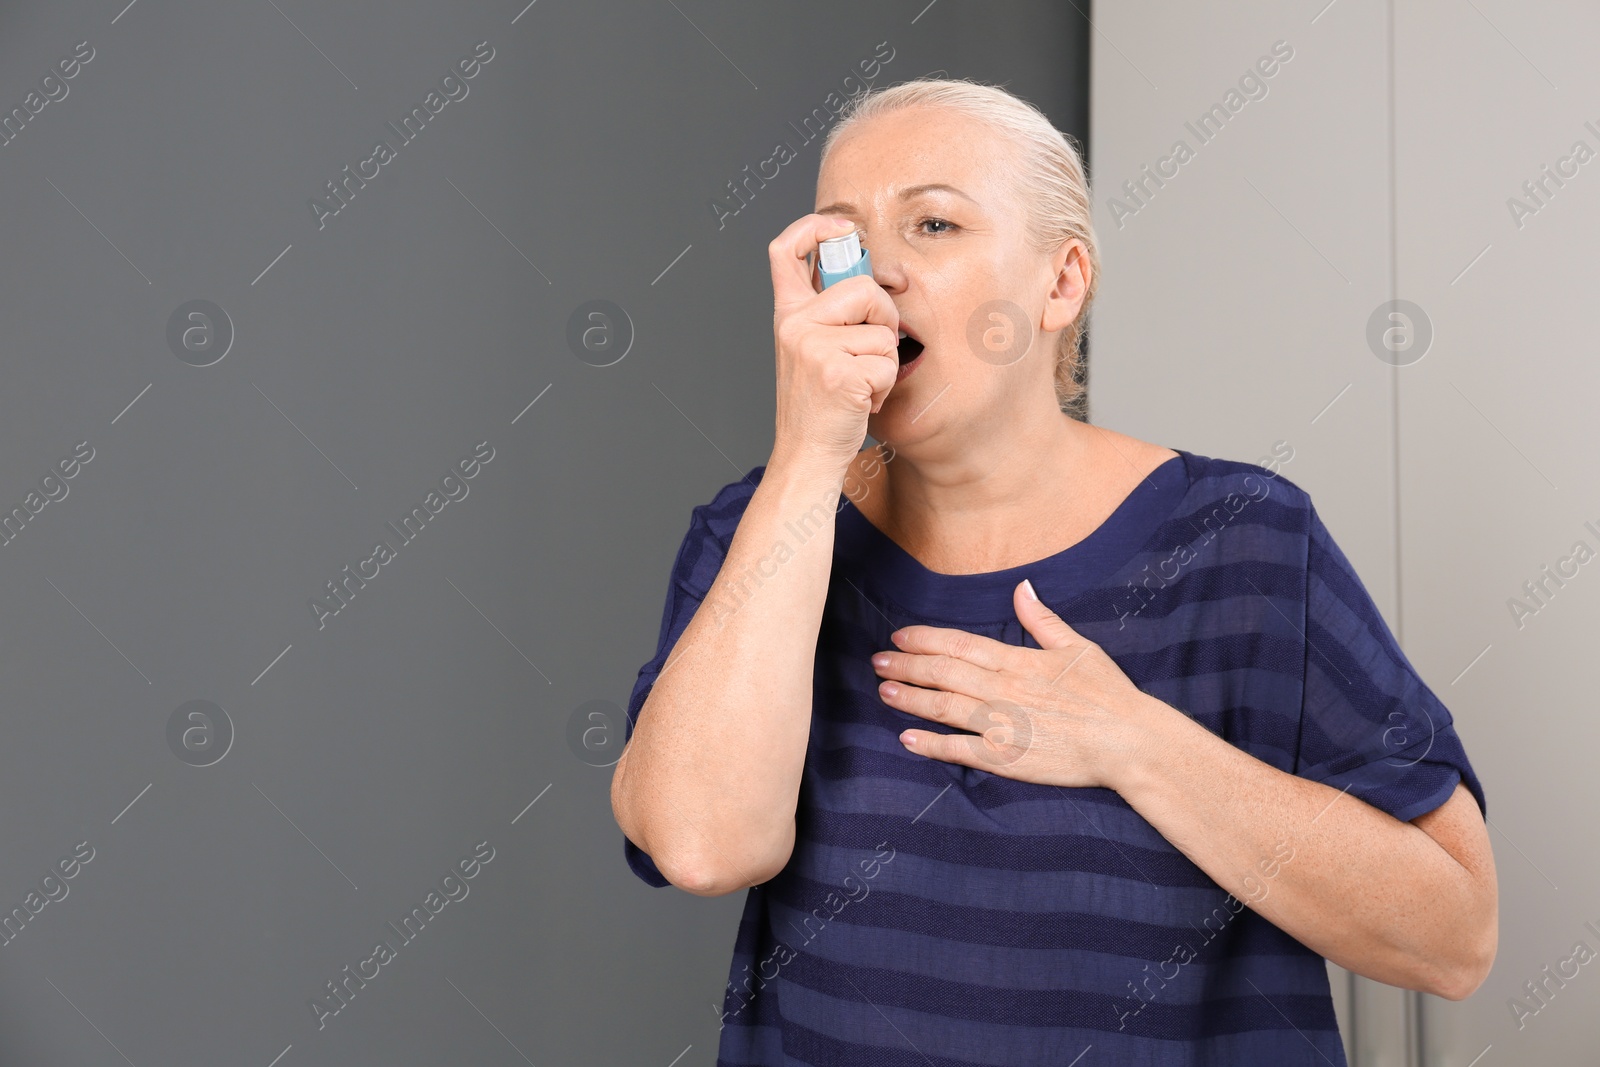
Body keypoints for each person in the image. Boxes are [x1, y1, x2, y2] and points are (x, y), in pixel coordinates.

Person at [610, 77, 1496, 1066]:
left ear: (1061, 282)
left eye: (935, 224)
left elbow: (1452, 934)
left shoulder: (1246, 540)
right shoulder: (762, 528)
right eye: (842, 241)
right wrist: (808, 459)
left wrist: (1131, 741)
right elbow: (701, 844)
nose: (875, 276)